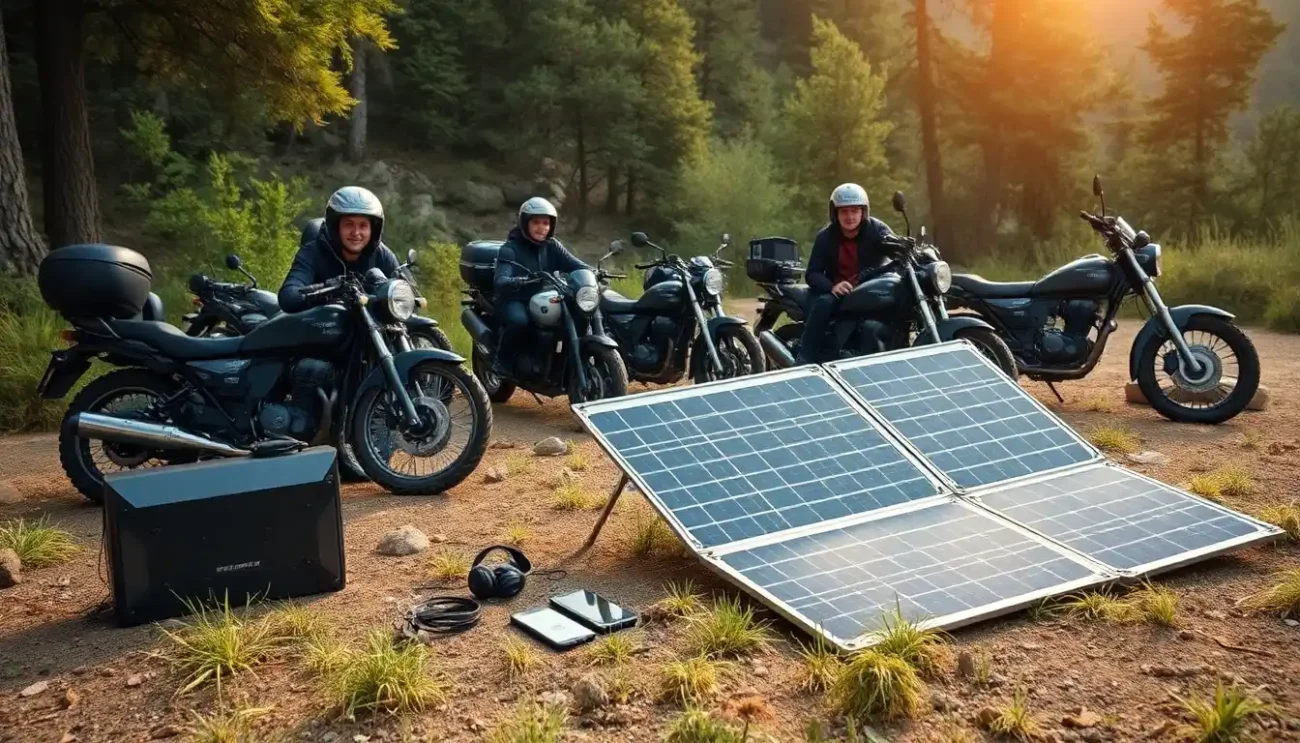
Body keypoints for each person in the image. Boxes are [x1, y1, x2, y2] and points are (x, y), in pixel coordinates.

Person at [795, 183, 896, 364]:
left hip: (868, 288)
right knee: (824, 303)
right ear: (835, 213)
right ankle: (805, 357)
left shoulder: (877, 230)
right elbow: (812, 273)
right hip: (838, 290)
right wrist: (833, 286)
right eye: (844, 211)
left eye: (855, 211)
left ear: (863, 212)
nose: (850, 217)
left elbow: (897, 248)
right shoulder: (825, 237)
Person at [491, 197, 591, 377]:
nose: (541, 227)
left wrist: (593, 273)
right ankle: (502, 360)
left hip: (542, 296)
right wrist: (519, 280)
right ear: (525, 222)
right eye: (536, 222)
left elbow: (575, 264)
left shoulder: (552, 246)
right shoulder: (510, 248)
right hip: (515, 298)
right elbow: (500, 280)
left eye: (546, 223)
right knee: (520, 321)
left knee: (574, 313)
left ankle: (558, 361)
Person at [278, 186, 400, 312]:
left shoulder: (382, 254)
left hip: (368, 327)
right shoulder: (313, 252)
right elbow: (288, 297)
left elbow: (408, 297)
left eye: (363, 225)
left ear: (373, 230)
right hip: (320, 326)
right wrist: (329, 288)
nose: (356, 232)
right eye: (349, 224)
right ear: (336, 227)